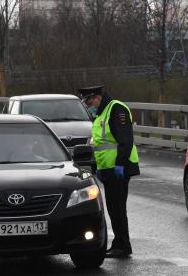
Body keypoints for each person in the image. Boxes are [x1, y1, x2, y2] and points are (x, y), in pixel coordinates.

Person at [78, 85, 140, 258]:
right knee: (113, 208)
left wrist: (120, 164)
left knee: (118, 208)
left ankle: (122, 245)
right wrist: (98, 167)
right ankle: (120, 243)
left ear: (98, 97)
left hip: (119, 169)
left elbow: (125, 141)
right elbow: (100, 145)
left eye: (89, 101)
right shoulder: (101, 114)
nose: (89, 105)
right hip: (108, 170)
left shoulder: (116, 109)